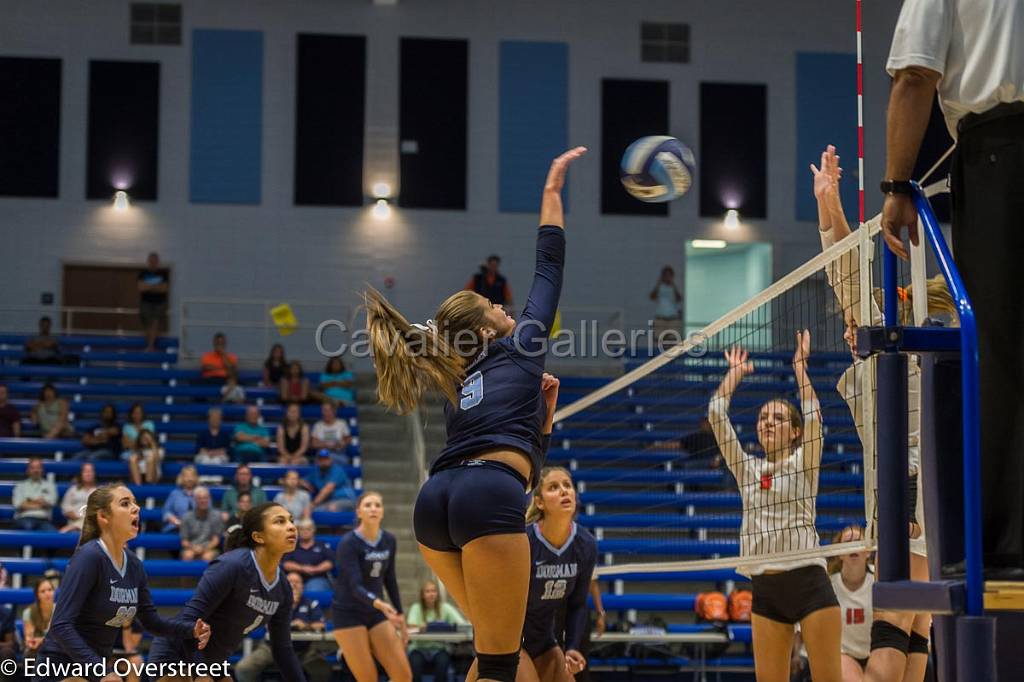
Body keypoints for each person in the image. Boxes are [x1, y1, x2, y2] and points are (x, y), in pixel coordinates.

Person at [367, 147, 584, 682]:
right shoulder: (524, 344)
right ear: (486, 329)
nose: (506, 307)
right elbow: (549, 266)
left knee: (495, 654)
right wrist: (552, 193)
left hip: (435, 501)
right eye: (494, 306)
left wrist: (544, 418)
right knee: (501, 662)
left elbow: (516, 453)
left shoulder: (454, 374)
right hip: (486, 497)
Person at [881, 0, 1024, 583]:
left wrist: (896, 185)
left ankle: (1001, 549)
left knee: (996, 349)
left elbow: (916, 73)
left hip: (1002, 157)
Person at [812, 144, 939, 681]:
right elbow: (852, 290)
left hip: (903, 495)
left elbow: (847, 278)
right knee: (917, 627)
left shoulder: (897, 359)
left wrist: (830, 204)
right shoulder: (938, 367)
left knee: (898, 620)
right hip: (936, 501)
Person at [708, 334, 841, 682]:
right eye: (764, 417)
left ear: (795, 432)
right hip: (766, 589)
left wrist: (800, 369)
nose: (767, 422)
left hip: (810, 582)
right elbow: (716, 415)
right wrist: (734, 373)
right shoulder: (747, 469)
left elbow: (814, 418)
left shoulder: (804, 462)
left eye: (778, 418)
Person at [34, 485, 210, 682]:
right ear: (103, 516)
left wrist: (191, 630)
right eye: (125, 504)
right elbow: (60, 625)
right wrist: (101, 672)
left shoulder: (134, 564)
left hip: (96, 669)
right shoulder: (89, 556)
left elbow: (152, 622)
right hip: (59, 667)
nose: (136, 508)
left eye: (135, 503)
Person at [147, 502, 306, 682]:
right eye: (280, 521)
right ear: (259, 537)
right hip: (178, 652)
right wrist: (200, 672)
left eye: (291, 521)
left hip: (214, 661)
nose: (292, 527)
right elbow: (189, 621)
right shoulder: (232, 566)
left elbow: (282, 649)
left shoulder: (283, 588)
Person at [469, 466, 598, 682]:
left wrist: (573, 647)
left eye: (567, 485)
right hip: (506, 636)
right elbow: (495, 600)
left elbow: (577, 604)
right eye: (553, 487)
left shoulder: (586, 545)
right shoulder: (524, 542)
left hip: (543, 638)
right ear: (539, 502)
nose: (564, 491)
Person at [332, 491, 411, 682]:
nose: (373, 509)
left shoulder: (389, 540)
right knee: (368, 678)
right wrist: (381, 604)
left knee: (404, 676)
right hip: (348, 613)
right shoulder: (348, 543)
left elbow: (389, 578)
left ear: (382, 512)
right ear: (359, 512)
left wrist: (400, 614)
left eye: (377, 505)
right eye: (368, 505)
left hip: (375, 612)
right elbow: (354, 586)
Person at [234, 571, 333, 682]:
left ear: (302, 586)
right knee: (244, 668)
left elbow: (320, 625)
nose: (294, 585)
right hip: (271, 647)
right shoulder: (274, 602)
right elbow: (266, 625)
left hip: (303, 649)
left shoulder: (311, 603)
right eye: (290, 582)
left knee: (322, 670)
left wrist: (305, 626)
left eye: (297, 582)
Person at [406, 579, 468, 682]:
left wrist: (447, 626)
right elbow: (410, 626)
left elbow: (461, 624)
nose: (431, 594)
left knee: (443, 662)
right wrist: (422, 627)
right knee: (415, 664)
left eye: (434, 591)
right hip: (419, 648)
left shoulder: (445, 607)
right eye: (428, 591)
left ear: (437, 593)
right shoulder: (416, 608)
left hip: (439, 649)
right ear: (422, 594)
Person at [283, 518, 334, 593]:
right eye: (302, 529)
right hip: (296, 576)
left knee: (313, 588)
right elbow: (285, 564)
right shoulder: (291, 545)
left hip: (317, 577)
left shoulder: (322, 545)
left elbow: (330, 562)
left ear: (313, 530)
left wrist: (316, 569)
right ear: (298, 531)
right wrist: (302, 568)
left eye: (308, 529)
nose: (305, 532)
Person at [179, 486, 224, 562]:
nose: (203, 500)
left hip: (210, 548)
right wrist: (194, 548)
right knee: (187, 555)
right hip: (191, 547)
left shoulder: (217, 515)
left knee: (207, 557)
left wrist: (204, 549)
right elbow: (184, 541)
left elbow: (216, 540)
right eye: (200, 498)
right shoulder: (186, 516)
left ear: (209, 499)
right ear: (194, 500)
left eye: (205, 498)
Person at [13, 457, 57, 532]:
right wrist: (40, 503)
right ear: (28, 470)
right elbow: (18, 505)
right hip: (24, 518)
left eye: (38, 467)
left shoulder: (50, 485)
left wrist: (29, 501)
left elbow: (51, 503)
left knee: (54, 534)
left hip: (44, 520)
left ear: (42, 470)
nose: (36, 470)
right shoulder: (20, 485)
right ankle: (27, 544)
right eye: (32, 468)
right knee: (28, 526)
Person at [138, 252, 169, 352]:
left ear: (158, 262)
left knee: (155, 323)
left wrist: (148, 286)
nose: (152, 263)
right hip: (145, 303)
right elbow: (141, 288)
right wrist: (156, 286)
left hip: (159, 302)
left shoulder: (163, 274)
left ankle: (151, 346)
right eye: (151, 261)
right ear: (148, 262)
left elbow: (164, 289)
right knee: (147, 325)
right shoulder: (143, 273)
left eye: (155, 261)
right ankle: (149, 344)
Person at [22, 577, 55, 658]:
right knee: (30, 655)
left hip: (57, 648)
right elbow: (28, 638)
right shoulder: (29, 612)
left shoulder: (61, 610)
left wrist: (42, 640)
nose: (47, 593)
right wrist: (30, 641)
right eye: (43, 591)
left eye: (50, 590)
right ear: (37, 595)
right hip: (37, 649)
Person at [60, 461, 98, 532]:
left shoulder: (99, 491)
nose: (88, 474)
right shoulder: (73, 490)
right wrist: (71, 514)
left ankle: (75, 526)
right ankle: (76, 526)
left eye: (90, 471)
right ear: (81, 474)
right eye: (86, 471)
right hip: (74, 521)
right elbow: (65, 507)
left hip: (92, 526)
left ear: (94, 474)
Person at [649, 265, 682, 343]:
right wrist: (658, 284)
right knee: (658, 339)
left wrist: (674, 286)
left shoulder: (675, 287)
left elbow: (679, 299)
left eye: (669, 275)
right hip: (660, 317)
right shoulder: (659, 287)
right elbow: (652, 297)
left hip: (673, 317)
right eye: (665, 275)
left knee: (673, 340)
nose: (667, 277)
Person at [162, 465, 198, 533]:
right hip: (177, 527)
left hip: (198, 528)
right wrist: (177, 522)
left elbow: (209, 512)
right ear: (181, 478)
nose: (189, 479)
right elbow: (166, 512)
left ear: (196, 478)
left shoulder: (202, 493)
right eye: (187, 476)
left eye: (192, 476)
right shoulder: (174, 494)